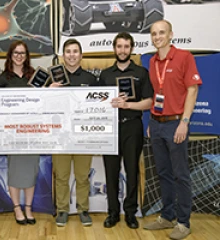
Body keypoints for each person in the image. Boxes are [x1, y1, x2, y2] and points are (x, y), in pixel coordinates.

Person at [143, 20, 202, 240]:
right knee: (163, 174)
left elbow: (192, 90)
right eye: (153, 33)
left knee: (181, 175)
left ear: (170, 35)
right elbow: (156, 95)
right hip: (157, 124)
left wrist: (184, 122)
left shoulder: (184, 57)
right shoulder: (152, 61)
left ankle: (183, 222)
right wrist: (151, 122)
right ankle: (166, 216)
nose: (157, 36)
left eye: (161, 33)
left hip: (176, 124)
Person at [98, 32, 153, 229]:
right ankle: (113, 212)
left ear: (131, 49)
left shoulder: (141, 73)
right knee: (111, 172)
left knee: (132, 171)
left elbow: (149, 102)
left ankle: (130, 212)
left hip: (132, 126)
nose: (122, 50)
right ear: (114, 48)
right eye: (119, 46)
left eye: (126, 46)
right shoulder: (105, 75)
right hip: (110, 128)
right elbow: (96, 103)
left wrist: (128, 105)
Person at [51, 39, 97, 227]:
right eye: (68, 51)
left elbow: (98, 108)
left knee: (82, 176)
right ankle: (62, 210)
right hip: (59, 136)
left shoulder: (91, 79)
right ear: (63, 55)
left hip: (83, 136)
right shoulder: (53, 79)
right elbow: (42, 105)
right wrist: (48, 91)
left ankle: (83, 210)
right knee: (61, 176)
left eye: (75, 51)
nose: (72, 55)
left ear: (81, 55)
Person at [0, 40, 39, 225]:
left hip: (33, 132)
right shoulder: (3, 78)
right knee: (14, 172)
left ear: (27, 56)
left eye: (22, 53)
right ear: (10, 55)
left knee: (31, 171)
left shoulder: (35, 76)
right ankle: (16, 208)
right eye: (16, 53)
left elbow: (45, 99)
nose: (19, 56)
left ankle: (28, 208)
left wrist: (49, 90)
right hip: (12, 134)